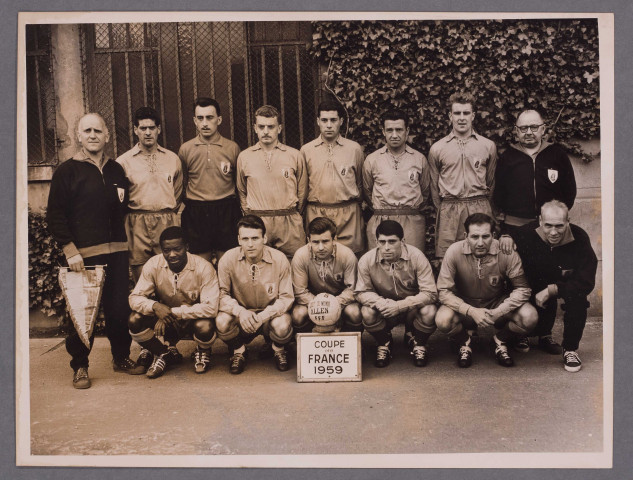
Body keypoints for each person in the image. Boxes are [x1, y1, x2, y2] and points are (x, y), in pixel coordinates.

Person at [47, 113, 144, 389]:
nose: (92, 135)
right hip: (84, 257)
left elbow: (123, 208)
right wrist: (70, 250)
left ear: (107, 136)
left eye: (97, 130)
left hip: (117, 252)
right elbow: (55, 215)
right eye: (87, 130)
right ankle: (80, 366)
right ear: (79, 136)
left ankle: (121, 357)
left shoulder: (116, 170)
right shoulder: (67, 171)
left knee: (117, 310)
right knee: (82, 311)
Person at [435, 213, 537, 368]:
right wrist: (470, 310)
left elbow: (522, 289)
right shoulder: (454, 251)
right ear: (465, 236)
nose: (480, 242)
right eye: (475, 237)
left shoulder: (505, 251)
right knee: (442, 319)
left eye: (485, 236)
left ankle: (499, 341)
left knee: (529, 316)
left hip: (496, 304)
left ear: (493, 235)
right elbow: (443, 291)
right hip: (466, 304)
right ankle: (465, 342)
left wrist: (499, 311)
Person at [513, 200, 598, 372]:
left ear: (568, 221)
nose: (553, 232)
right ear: (540, 221)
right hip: (533, 282)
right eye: (548, 225)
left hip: (562, 283)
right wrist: (506, 238)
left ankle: (570, 349)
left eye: (559, 226)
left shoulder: (579, 237)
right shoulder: (526, 234)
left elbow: (586, 280)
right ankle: (524, 334)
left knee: (578, 299)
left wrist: (553, 289)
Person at [127, 227, 219, 378]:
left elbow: (211, 308)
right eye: (166, 250)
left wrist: (173, 312)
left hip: (191, 319)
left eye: (177, 249)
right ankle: (163, 353)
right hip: (166, 319)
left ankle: (203, 350)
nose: (172, 255)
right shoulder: (153, 264)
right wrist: (155, 306)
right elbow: (134, 298)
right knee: (134, 319)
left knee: (205, 326)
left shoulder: (203, 267)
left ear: (187, 247)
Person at [216, 215, 295, 374]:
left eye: (255, 238)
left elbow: (286, 298)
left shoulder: (279, 259)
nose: (250, 244)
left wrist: (263, 316)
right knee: (222, 321)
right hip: (242, 317)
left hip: (269, 316)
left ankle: (277, 348)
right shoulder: (228, 259)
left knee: (283, 325)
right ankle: (239, 351)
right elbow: (220, 295)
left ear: (264, 238)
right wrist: (241, 312)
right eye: (245, 239)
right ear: (239, 239)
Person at [355, 220, 438, 368]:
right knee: (366, 312)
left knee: (430, 311)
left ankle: (418, 343)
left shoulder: (417, 257)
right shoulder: (367, 260)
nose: (386, 247)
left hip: (411, 309)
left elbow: (430, 293)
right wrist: (381, 303)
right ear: (377, 242)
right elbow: (361, 292)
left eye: (392, 241)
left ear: (403, 241)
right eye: (382, 242)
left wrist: (400, 305)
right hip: (384, 308)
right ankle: (384, 343)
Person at [494, 109, 577, 253]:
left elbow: (569, 192)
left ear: (543, 129)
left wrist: (554, 219)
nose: (528, 132)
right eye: (523, 128)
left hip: (549, 229)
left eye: (534, 127)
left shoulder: (557, 155)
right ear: (516, 131)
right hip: (516, 229)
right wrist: (505, 232)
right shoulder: (507, 158)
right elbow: (499, 198)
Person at [116, 107, 183, 282]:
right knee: (141, 276)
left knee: (170, 274)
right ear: (135, 130)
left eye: (151, 128)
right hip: (137, 222)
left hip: (166, 219)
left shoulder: (172, 158)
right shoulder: (123, 162)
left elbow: (177, 191)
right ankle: (145, 307)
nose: (147, 133)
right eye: (143, 128)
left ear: (158, 130)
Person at [428, 91, 498, 258]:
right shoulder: (438, 148)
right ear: (450, 116)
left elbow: (491, 180)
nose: (461, 118)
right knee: (451, 258)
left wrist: (481, 204)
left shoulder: (487, 146)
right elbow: (433, 186)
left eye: (466, 113)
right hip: (450, 208)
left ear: (473, 115)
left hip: (479, 204)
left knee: (481, 253)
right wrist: (445, 208)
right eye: (457, 113)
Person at [236, 105, 307, 258]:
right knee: (261, 265)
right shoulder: (244, 157)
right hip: (258, 219)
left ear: (279, 128)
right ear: (255, 128)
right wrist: (250, 215)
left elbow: (302, 190)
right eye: (261, 127)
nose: (266, 131)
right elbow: (242, 190)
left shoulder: (294, 155)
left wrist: (292, 212)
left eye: (271, 127)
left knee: (293, 264)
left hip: (288, 220)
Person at [178, 97, 241, 263]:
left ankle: (225, 290)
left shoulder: (232, 148)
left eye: (210, 117)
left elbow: (238, 183)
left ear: (219, 120)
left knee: (227, 261)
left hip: (226, 209)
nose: (205, 123)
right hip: (197, 211)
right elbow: (183, 182)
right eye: (200, 118)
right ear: (194, 121)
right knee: (200, 262)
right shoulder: (185, 149)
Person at [301, 100, 365, 254]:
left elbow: (361, 183)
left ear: (341, 121)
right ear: (318, 121)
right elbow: (302, 186)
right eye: (324, 120)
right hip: (317, 212)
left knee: (350, 256)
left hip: (348, 214)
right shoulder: (306, 150)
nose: (328, 125)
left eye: (333, 120)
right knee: (319, 256)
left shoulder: (354, 149)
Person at [363, 108, 431, 251]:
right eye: (390, 130)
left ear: (407, 131)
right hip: (381, 220)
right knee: (381, 265)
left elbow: (425, 191)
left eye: (399, 130)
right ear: (383, 132)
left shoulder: (419, 159)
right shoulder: (372, 160)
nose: (394, 135)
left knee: (411, 263)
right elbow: (367, 191)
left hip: (411, 221)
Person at [291, 216, 362, 334]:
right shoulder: (300, 256)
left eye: (325, 241)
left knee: (354, 312)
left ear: (335, 239)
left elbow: (352, 289)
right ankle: (306, 347)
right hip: (312, 302)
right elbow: (300, 292)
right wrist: (319, 306)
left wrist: (332, 305)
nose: (320, 247)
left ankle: (351, 347)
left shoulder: (347, 255)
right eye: (315, 242)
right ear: (308, 240)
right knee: (298, 314)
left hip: (341, 302)